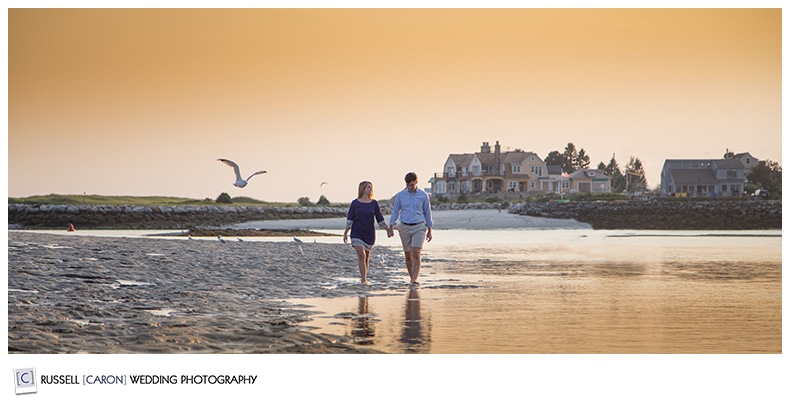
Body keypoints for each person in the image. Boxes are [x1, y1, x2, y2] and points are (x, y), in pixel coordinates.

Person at [388, 172, 433, 285]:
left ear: (416, 182)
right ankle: (411, 277)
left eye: (412, 185)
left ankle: (414, 280)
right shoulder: (401, 195)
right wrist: (391, 226)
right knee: (408, 254)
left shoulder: (423, 195)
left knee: (416, 252)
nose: (410, 187)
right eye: (408, 185)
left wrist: (430, 230)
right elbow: (395, 211)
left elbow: (428, 212)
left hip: (419, 226)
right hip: (404, 227)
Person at [343, 181, 389, 284]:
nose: (370, 189)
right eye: (368, 187)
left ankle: (364, 277)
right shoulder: (355, 203)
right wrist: (346, 233)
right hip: (356, 233)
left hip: (369, 233)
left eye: (371, 187)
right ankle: (363, 280)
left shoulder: (374, 203)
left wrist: (387, 230)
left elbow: (379, 219)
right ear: (363, 189)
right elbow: (350, 219)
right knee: (361, 255)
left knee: (367, 257)